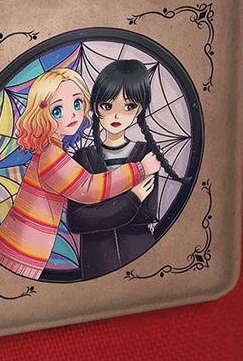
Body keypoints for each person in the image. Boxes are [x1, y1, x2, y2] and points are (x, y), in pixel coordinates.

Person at [0, 66, 160, 280]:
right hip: (20, 252)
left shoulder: (52, 151)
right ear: (41, 114)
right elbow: (89, 189)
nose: (72, 114)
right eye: (57, 110)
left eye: (77, 104)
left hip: (21, 247)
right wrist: (139, 170)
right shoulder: (52, 156)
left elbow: (147, 213)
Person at [66, 59, 189, 278]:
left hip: (139, 251)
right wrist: (133, 197)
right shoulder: (82, 158)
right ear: (95, 106)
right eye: (108, 106)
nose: (117, 115)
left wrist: (100, 206)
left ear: (139, 108)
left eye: (129, 106)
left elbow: (146, 214)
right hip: (97, 260)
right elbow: (77, 220)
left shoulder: (146, 154)